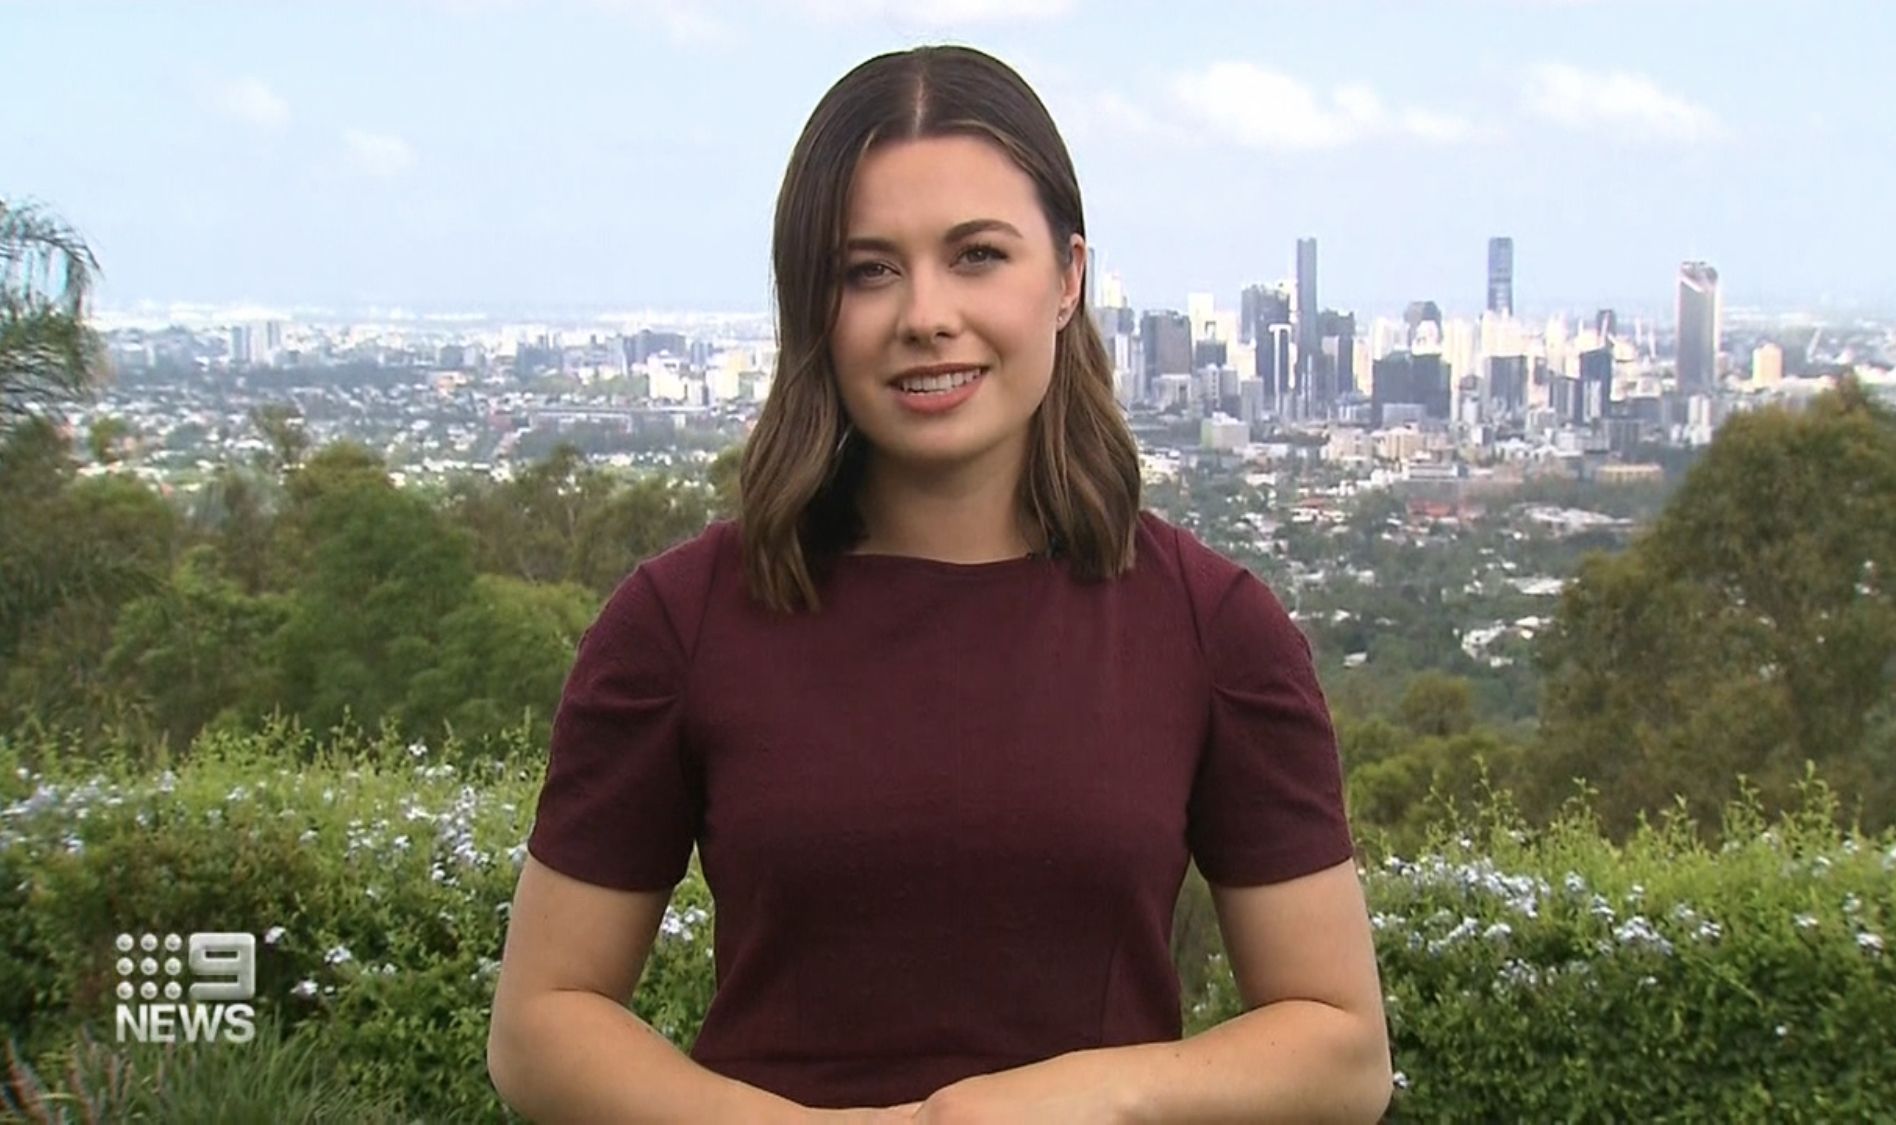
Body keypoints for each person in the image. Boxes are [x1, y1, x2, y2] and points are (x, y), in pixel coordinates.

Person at [488, 44, 1390, 1124]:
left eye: (977, 256)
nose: (925, 313)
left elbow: (1341, 1051)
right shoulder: (681, 623)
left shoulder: (1209, 626)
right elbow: (541, 1024)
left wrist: (1082, 1097)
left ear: (1067, 278)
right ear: (813, 305)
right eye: (868, 270)